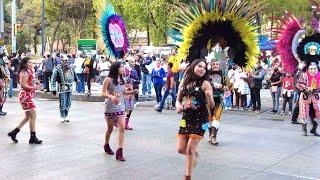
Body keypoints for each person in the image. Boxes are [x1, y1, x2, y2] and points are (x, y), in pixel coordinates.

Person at [176, 59, 214, 180]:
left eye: (204, 68)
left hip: (202, 119)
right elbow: (178, 100)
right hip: (186, 118)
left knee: (190, 149)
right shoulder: (185, 82)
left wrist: (209, 97)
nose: (202, 69)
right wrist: (180, 106)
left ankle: (187, 176)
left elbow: (212, 106)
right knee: (181, 149)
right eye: (200, 66)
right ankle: (193, 156)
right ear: (193, 67)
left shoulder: (205, 83)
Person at [101, 61, 138, 161]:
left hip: (120, 106)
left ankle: (120, 151)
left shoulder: (123, 80)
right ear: (116, 68)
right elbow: (103, 93)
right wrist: (111, 96)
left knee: (122, 127)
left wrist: (133, 92)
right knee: (110, 129)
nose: (123, 69)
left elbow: (124, 92)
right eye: (121, 67)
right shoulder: (108, 79)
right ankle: (106, 145)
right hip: (110, 107)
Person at [7, 57, 42, 144]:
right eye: (29, 63)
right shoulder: (24, 72)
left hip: (27, 96)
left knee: (28, 117)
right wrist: (35, 87)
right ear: (25, 64)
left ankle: (14, 132)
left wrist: (36, 82)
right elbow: (23, 85)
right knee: (33, 115)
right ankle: (32, 137)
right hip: (25, 96)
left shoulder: (29, 71)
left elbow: (30, 82)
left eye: (32, 63)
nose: (31, 64)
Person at [51, 57, 78, 123]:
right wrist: (53, 89)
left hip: (70, 87)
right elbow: (53, 79)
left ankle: (66, 116)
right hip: (62, 87)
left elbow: (75, 75)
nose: (65, 62)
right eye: (64, 61)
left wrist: (77, 80)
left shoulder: (71, 68)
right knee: (62, 102)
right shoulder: (58, 68)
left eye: (66, 61)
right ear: (61, 61)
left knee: (68, 103)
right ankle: (62, 116)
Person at [208, 59, 225, 145]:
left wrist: (223, 86)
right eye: (213, 64)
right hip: (209, 99)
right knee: (209, 119)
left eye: (217, 64)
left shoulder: (223, 74)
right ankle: (210, 135)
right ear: (210, 65)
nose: (215, 65)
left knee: (216, 117)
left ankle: (213, 136)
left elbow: (228, 86)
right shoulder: (207, 74)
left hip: (219, 99)